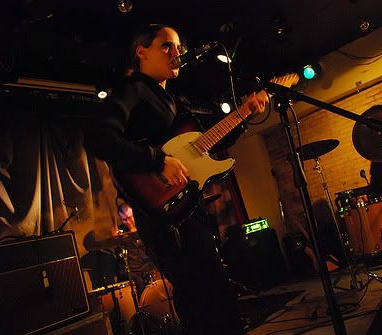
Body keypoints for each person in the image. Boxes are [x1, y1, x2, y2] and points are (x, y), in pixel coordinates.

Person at [86, 24, 269, 335]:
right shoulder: (133, 90)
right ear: (141, 52)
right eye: (166, 46)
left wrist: (245, 113)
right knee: (198, 294)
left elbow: (206, 145)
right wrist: (158, 161)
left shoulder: (175, 102)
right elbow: (98, 138)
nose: (177, 53)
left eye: (178, 48)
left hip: (187, 204)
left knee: (214, 288)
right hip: (161, 212)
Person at [112, 203, 156, 298]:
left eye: (130, 217)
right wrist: (115, 239)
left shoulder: (143, 227)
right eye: (124, 219)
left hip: (146, 267)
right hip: (130, 270)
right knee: (139, 282)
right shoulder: (120, 233)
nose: (128, 222)